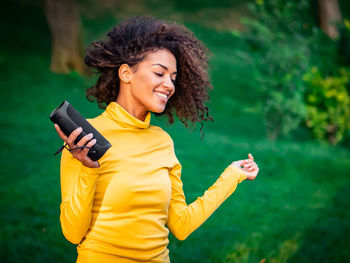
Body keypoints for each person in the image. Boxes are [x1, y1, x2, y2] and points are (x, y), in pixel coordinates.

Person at [54, 16, 259, 263]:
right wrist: (88, 170)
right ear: (126, 73)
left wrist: (231, 176)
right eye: (159, 73)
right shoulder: (84, 140)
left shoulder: (163, 142)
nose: (169, 85)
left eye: (173, 77)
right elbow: (73, 233)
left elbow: (181, 225)